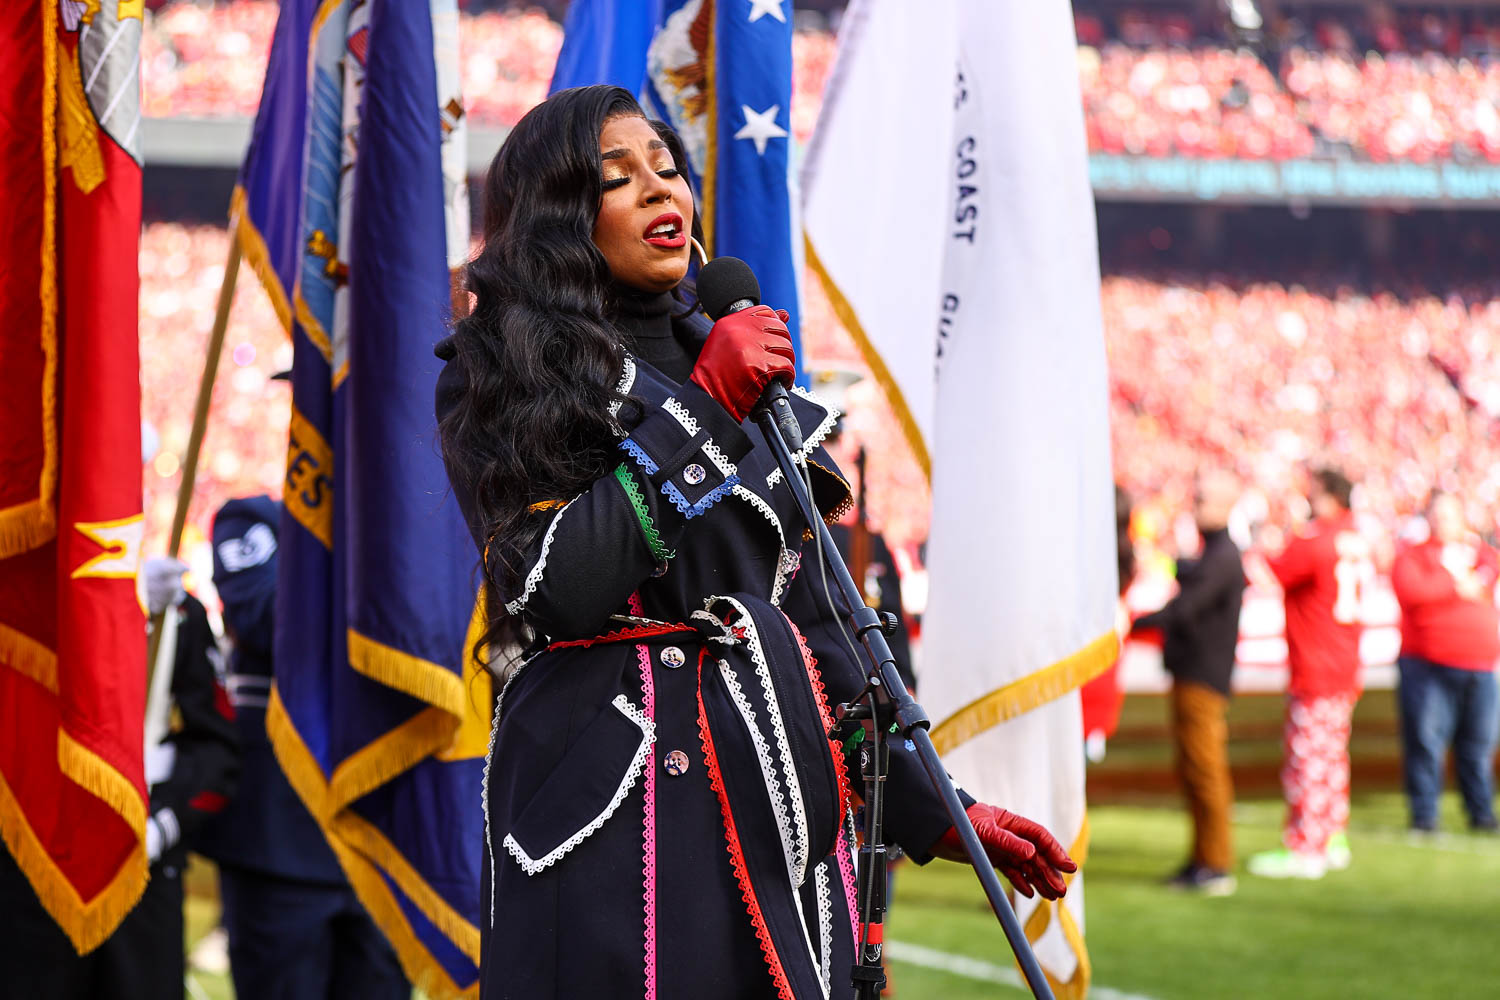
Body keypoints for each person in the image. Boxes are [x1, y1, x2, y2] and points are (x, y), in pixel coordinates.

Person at [433, 85, 1075, 1000]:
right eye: (620, 179)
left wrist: (945, 811)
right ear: (562, 219)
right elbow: (552, 586)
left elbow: (819, 629)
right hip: (618, 808)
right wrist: (703, 413)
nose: (663, 190)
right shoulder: (495, 370)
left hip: (777, 797)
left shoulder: (758, 385)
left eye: (668, 168)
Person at [194, 496, 409, 999]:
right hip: (280, 836)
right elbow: (264, 615)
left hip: (383, 832)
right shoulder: (252, 518)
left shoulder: (402, 520)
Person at [0, 559, 239, 1000]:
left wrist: (163, 824)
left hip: (142, 875)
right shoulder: (15, 600)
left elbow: (217, 749)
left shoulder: (176, 614)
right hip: (32, 873)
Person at [1248, 468, 1371, 880]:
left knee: (1308, 758)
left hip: (1316, 662)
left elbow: (1274, 570)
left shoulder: (1317, 540)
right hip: (1343, 660)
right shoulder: (1354, 537)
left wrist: (1272, 535)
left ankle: (1307, 846)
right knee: (1333, 756)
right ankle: (1333, 836)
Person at [1132, 470, 1245, 894]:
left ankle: (1215, 863)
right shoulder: (1216, 554)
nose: (1195, 509)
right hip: (1194, 675)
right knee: (1195, 770)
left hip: (1204, 678)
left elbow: (1186, 609)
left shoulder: (1224, 556)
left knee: (1206, 770)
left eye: (1203, 501)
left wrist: (1135, 622)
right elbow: (1191, 578)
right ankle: (1203, 858)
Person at [1391, 491, 1500, 834]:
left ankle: (1480, 812)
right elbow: (1413, 592)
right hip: (1428, 663)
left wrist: (1455, 582)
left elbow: (1487, 576)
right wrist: (1454, 583)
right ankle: (1424, 816)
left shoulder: (1480, 552)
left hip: (1480, 665)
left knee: (1479, 745)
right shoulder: (1414, 554)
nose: (1443, 522)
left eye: (1450, 515)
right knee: (1425, 742)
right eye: (1438, 515)